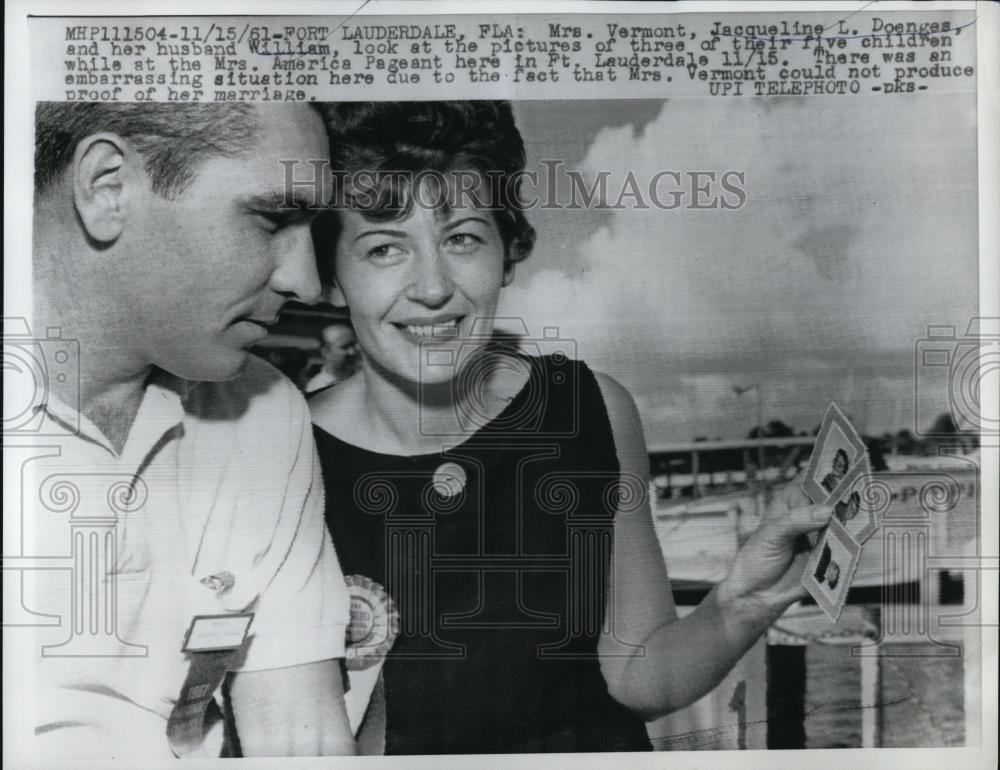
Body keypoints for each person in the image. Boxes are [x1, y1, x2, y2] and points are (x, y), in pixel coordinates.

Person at [308, 101, 834, 754]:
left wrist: (743, 603)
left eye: (463, 237)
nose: (433, 286)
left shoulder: (591, 411)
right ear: (332, 276)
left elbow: (642, 674)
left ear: (507, 254)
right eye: (384, 247)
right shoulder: (283, 449)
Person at [27, 103, 355, 758]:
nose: (309, 283)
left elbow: (301, 739)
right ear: (108, 187)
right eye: (272, 218)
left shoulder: (264, 411)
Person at [303, 320, 360, 394]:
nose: (352, 352)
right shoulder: (319, 387)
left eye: (353, 345)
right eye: (345, 347)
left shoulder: (366, 378)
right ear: (325, 352)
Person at [821, 448, 861, 524]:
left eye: (841, 465)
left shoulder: (850, 486)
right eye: (836, 461)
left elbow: (849, 513)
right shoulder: (826, 481)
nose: (837, 466)